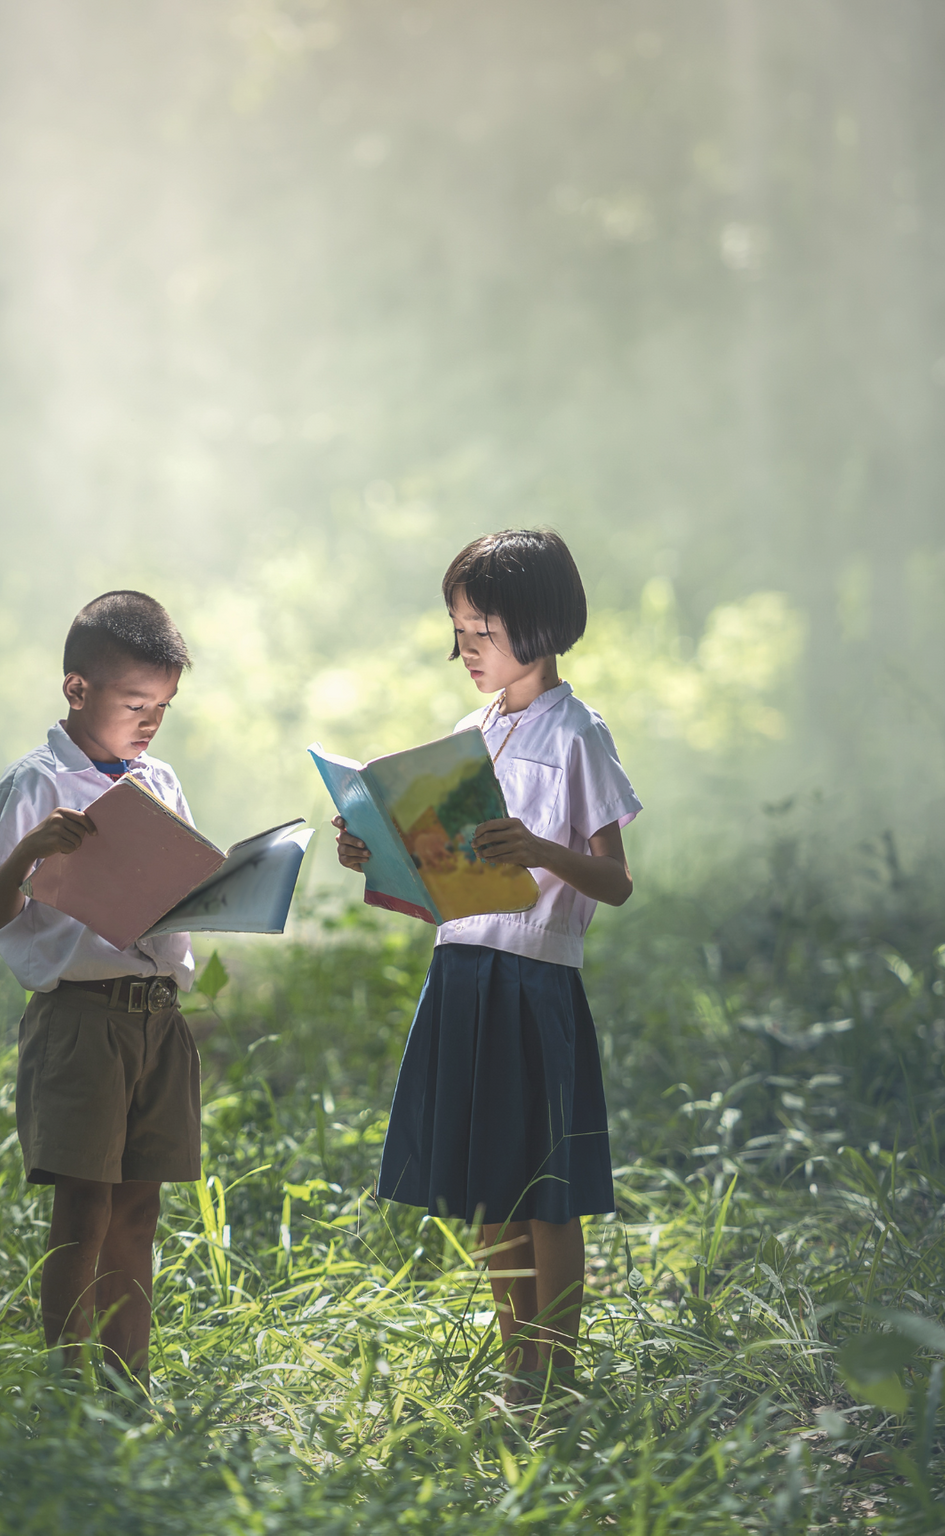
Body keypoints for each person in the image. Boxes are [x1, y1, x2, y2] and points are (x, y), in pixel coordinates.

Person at [334, 529, 639, 1397]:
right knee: (492, 1186)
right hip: (461, 969)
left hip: (536, 976)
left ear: (537, 628)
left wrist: (541, 846)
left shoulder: (579, 732)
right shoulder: (469, 735)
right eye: (458, 632)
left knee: (549, 1185)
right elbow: (436, 872)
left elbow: (614, 881)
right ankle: (519, 1366)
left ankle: (562, 1374)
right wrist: (377, 850)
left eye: (479, 633)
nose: (462, 651)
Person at [0, 590, 201, 1388]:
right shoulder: (36, 784)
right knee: (84, 1213)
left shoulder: (159, 780)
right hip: (81, 1021)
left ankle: (126, 1378)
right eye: (135, 702)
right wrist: (30, 851)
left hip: (157, 1019)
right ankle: (70, 1382)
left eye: (163, 707)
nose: (149, 721)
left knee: (139, 1209)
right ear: (77, 689)